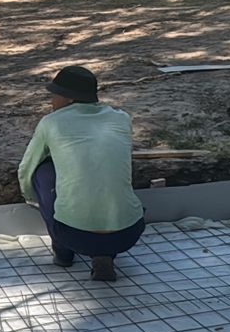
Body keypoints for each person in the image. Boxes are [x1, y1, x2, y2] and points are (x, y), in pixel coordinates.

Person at [17, 66, 145, 281]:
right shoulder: (121, 118)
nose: (51, 102)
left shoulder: (51, 123)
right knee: (103, 168)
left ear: (69, 98)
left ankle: (63, 254)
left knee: (42, 171)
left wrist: (31, 198)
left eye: (54, 95)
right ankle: (105, 256)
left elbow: (26, 168)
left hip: (74, 235)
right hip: (128, 233)